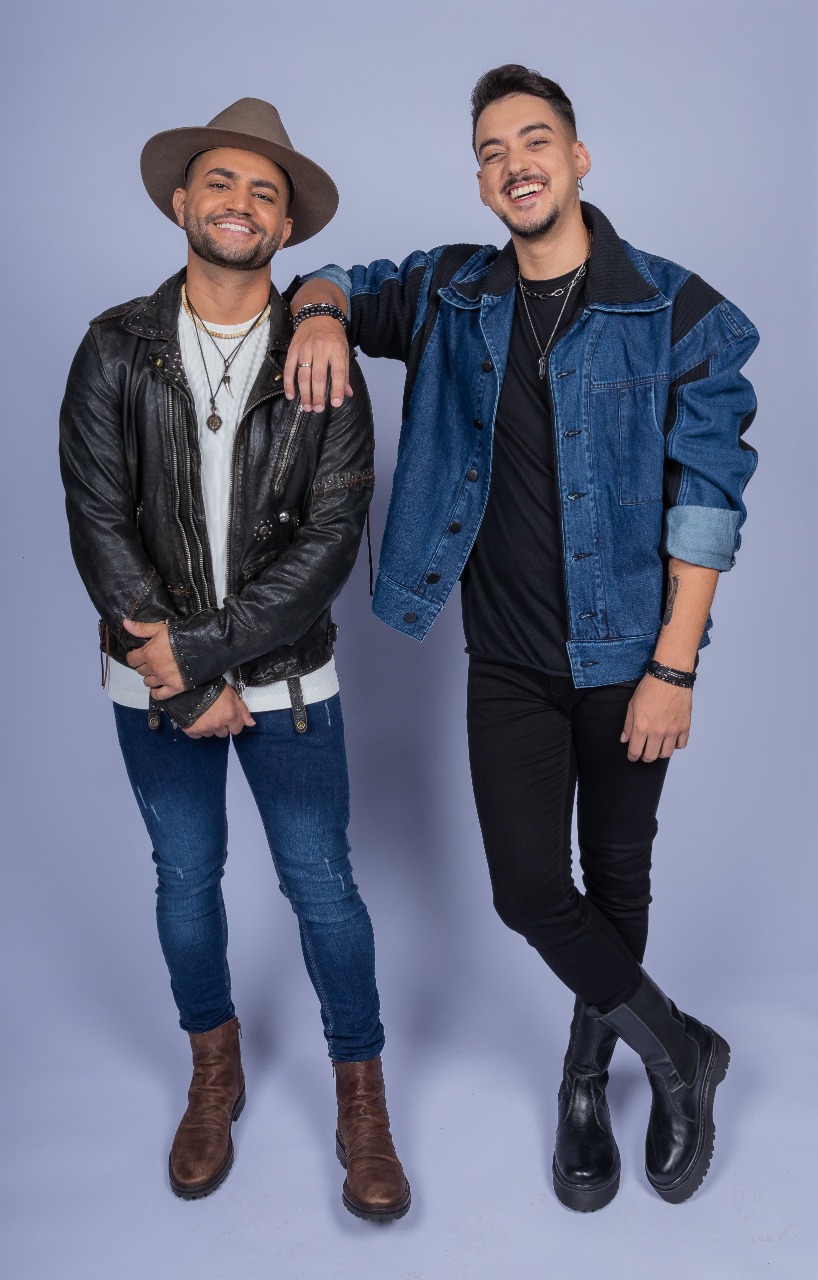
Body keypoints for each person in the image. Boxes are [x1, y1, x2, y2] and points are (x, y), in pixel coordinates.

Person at [284, 65, 758, 1211]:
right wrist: (317, 309)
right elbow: (337, 278)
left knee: (618, 874)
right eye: (491, 152)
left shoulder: (678, 310)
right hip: (504, 659)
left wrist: (672, 666)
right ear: (481, 183)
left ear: (577, 158)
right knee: (529, 886)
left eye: (533, 140)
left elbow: (706, 502)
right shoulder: (449, 293)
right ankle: (677, 1045)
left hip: (629, 658)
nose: (514, 164)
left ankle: (584, 1078)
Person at [59, 98, 409, 1221]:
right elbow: (98, 520)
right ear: (181, 201)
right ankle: (215, 1071)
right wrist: (181, 678)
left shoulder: (321, 354)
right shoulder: (115, 345)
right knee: (184, 880)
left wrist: (201, 660)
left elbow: (328, 545)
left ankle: (361, 1097)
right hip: (153, 680)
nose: (241, 203)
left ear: (286, 226)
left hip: (287, 680)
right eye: (221, 182)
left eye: (266, 192)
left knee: (324, 889)